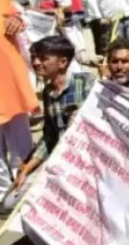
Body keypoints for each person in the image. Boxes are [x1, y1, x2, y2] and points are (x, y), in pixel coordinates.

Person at [11, 36, 95, 193]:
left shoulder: (87, 83)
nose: (35, 63)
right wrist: (27, 168)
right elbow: (50, 137)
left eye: (43, 58)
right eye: (34, 57)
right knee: (13, 198)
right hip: (62, 159)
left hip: (88, 160)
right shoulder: (48, 93)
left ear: (62, 62)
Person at [0, 0, 38, 202]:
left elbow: (12, 13)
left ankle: (25, 183)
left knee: (19, 133)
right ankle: (2, 191)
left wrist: (16, 20)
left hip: (7, 72)